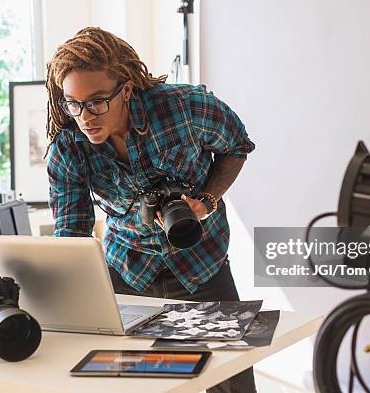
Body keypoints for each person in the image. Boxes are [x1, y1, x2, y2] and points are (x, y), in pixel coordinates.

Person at [45, 27, 256, 393]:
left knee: (231, 382)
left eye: (96, 102)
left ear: (125, 90)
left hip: (202, 264)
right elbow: (72, 237)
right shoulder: (68, 149)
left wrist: (206, 200)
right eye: (73, 104)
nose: (84, 117)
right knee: (136, 383)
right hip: (128, 271)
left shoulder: (184, 108)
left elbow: (237, 145)